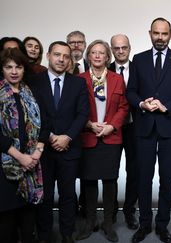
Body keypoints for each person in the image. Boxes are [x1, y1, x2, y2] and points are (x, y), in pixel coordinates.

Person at [126, 17, 171, 243]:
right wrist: (142, 104)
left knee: (166, 179)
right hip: (144, 127)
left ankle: (162, 225)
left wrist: (167, 107)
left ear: (170, 35)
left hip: (170, 127)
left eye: (164, 34)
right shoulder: (138, 59)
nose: (160, 38)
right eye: (156, 33)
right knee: (144, 178)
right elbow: (131, 92)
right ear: (150, 33)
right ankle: (144, 224)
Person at [31, 41, 89, 243]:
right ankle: (44, 234)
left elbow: (83, 114)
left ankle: (67, 233)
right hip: (43, 149)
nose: (61, 59)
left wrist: (68, 137)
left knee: (67, 195)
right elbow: (34, 114)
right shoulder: (35, 82)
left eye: (66, 56)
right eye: (57, 55)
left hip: (69, 148)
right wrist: (50, 136)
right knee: (45, 196)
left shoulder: (78, 83)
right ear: (48, 55)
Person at [75, 40, 128, 242]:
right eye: (94, 53)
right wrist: (88, 124)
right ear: (88, 56)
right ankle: (90, 221)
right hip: (88, 136)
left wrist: (111, 126)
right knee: (88, 181)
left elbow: (123, 107)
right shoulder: (79, 80)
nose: (97, 56)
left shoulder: (117, 79)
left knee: (109, 180)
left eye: (102, 53)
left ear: (108, 57)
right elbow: (75, 108)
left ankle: (107, 222)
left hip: (111, 137)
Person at [0, 48, 48, 243]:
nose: (13, 71)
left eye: (18, 67)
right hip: (6, 166)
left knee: (29, 220)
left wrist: (36, 153)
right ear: (2, 69)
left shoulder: (32, 92)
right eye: (8, 67)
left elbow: (46, 123)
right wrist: (20, 157)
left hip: (32, 165)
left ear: (23, 69)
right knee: (6, 224)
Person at [108, 34, 139, 229]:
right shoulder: (105, 69)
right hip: (112, 128)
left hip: (135, 127)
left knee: (134, 171)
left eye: (124, 47)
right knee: (110, 171)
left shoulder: (139, 69)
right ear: (112, 50)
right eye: (116, 48)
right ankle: (110, 213)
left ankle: (129, 211)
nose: (120, 51)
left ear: (129, 48)